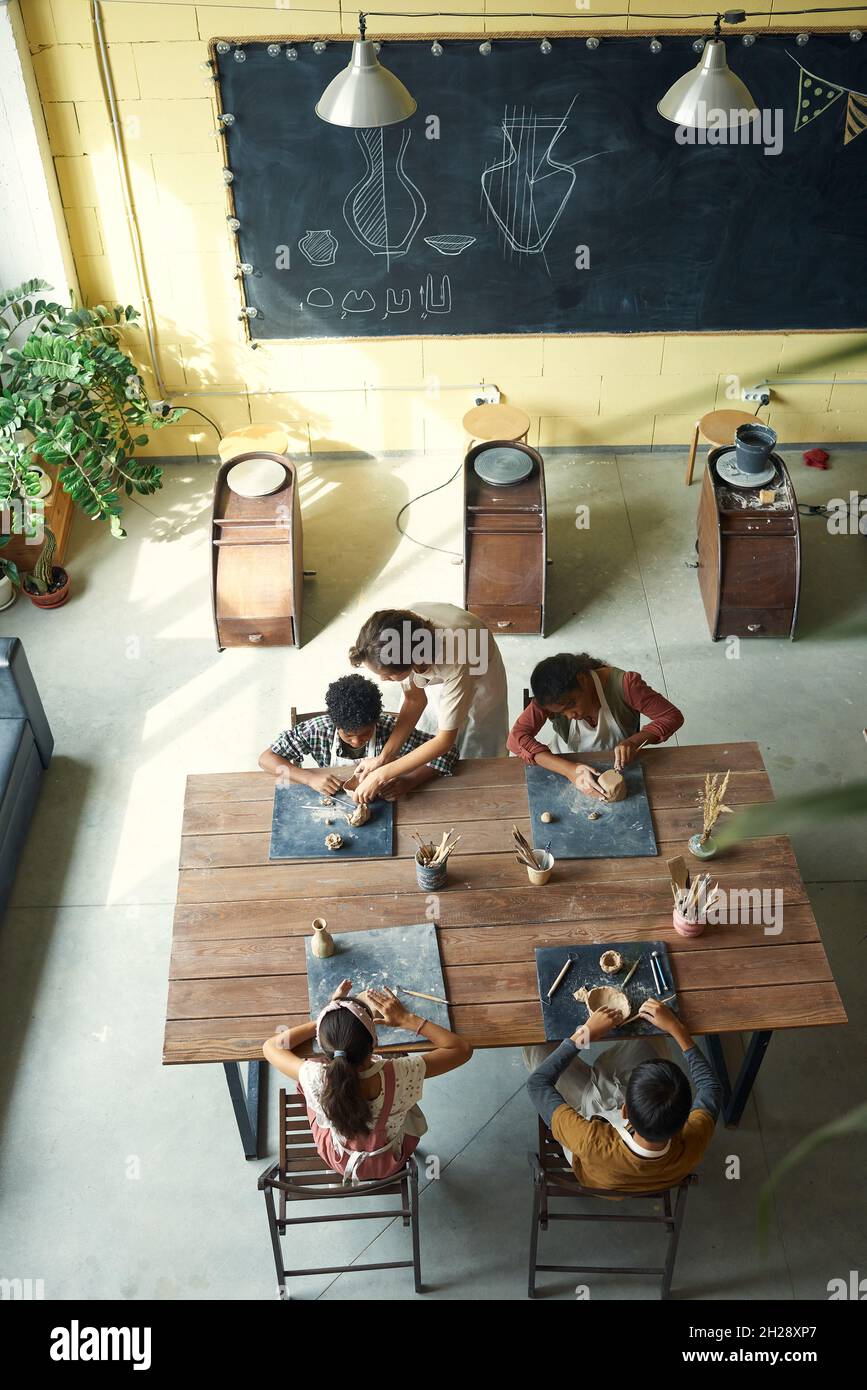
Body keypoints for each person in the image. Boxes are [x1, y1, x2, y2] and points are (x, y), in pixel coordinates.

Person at [263, 979, 472, 1185]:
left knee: (312, 1065)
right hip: (389, 1161)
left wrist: (327, 1018)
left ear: (324, 1043)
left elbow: (272, 1046)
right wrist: (407, 1019)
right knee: (398, 1069)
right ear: (374, 1042)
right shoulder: (401, 1072)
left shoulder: (316, 1076)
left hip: (338, 1159)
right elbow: (461, 1049)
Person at [525, 999, 721, 1193]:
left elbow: (537, 1084)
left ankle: (600, 1070)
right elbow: (710, 1087)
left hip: (588, 1118)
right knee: (652, 1029)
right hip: (632, 1152)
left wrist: (584, 1034)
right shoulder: (694, 1139)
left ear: (624, 1111)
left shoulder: (591, 1141)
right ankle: (613, 1067)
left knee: (536, 1045)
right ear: (686, 1119)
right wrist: (675, 1028)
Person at [347, 603, 509, 804]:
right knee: (430, 725)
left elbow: (444, 741)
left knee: (478, 736)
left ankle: (482, 796)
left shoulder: (455, 658)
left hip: (476, 659)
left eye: (388, 676)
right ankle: (431, 770)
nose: (382, 680)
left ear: (412, 664)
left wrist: (380, 775)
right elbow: (415, 699)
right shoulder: (394, 636)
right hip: (438, 655)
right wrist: (383, 759)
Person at [508, 651, 683, 800]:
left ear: (583, 679)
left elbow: (671, 716)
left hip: (618, 765)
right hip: (563, 760)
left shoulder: (625, 685)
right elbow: (515, 739)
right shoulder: (548, 699)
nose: (570, 716)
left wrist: (634, 742)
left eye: (571, 705)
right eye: (561, 713)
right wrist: (570, 771)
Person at [258, 672, 456, 800]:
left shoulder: (389, 730)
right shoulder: (318, 730)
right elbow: (266, 759)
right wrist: (309, 778)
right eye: (348, 735)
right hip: (330, 798)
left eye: (365, 733)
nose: (356, 741)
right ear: (335, 724)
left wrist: (410, 781)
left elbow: (448, 752)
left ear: (376, 722)